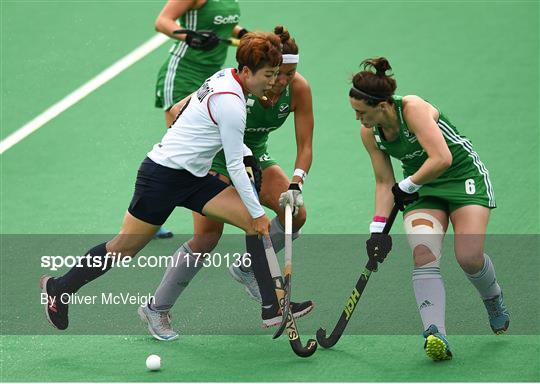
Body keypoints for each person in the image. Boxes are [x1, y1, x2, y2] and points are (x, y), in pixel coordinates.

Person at [40, 32, 310, 334]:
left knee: (250, 222)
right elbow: (233, 164)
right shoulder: (232, 101)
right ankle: (59, 287)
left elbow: (222, 139)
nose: (273, 82)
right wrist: (260, 212)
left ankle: (271, 309)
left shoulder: (226, 78)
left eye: (276, 74)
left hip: (194, 177)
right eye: (268, 75)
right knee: (124, 248)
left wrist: (248, 161)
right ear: (247, 71)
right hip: (161, 177)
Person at [138, 26, 315, 341]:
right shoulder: (241, 85)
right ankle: (156, 307)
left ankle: (249, 267)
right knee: (206, 238)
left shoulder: (298, 89)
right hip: (215, 161)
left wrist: (296, 183)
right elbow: (180, 110)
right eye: (280, 73)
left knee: (295, 215)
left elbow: (305, 147)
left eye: (290, 73)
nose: (282, 81)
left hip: (256, 159)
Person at [350, 57, 509, 361]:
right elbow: (384, 182)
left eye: (362, 112)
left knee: (468, 257)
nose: (359, 120)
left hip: (463, 178)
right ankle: (435, 332)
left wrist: (408, 185)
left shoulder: (412, 109)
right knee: (423, 253)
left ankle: (493, 298)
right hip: (422, 188)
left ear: (382, 105)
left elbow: (442, 158)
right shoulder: (369, 133)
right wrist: (377, 229)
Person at [154, 0, 249, 238]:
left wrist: (243, 34)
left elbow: (224, 24)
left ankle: (153, 211)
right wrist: (190, 36)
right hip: (183, 75)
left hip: (209, 78)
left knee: (195, 152)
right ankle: (155, 214)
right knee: (181, 153)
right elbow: (162, 21)